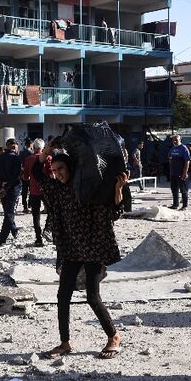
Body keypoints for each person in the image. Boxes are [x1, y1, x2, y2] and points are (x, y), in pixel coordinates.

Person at [35, 142, 128, 360]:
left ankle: (114, 336)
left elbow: (114, 212)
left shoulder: (88, 187)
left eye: (61, 169)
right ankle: (65, 343)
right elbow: (35, 171)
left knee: (92, 296)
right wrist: (47, 150)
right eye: (54, 170)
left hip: (94, 246)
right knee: (63, 295)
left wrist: (118, 189)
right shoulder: (56, 189)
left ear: (70, 169)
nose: (57, 174)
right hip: (71, 248)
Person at [0, 138, 23, 245]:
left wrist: (2, 182)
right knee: (10, 213)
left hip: (2, 189)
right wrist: (8, 184)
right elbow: (16, 175)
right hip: (13, 189)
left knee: (7, 211)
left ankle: (14, 230)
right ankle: (2, 239)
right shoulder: (16, 159)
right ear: (15, 147)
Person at [22, 139, 45, 246]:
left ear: (33, 147)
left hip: (34, 190)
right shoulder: (47, 158)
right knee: (53, 212)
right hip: (46, 190)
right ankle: (49, 232)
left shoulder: (29, 159)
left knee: (36, 216)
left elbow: (25, 176)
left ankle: (38, 237)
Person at [168, 135, 191, 210]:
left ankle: (185, 206)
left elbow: (187, 161)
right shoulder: (173, 148)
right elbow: (170, 157)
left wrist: (185, 173)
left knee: (183, 190)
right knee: (174, 189)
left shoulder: (184, 148)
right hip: (173, 173)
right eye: (173, 140)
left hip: (181, 173)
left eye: (176, 140)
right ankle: (175, 204)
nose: (174, 141)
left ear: (180, 140)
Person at [20, 138, 33, 213]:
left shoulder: (21, 152)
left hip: (23, 174)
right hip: (30, 175)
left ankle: (25, 207)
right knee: (31, 190)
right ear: (30, 144)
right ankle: (29, 205)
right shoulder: (31, 153)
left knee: (24, 191)